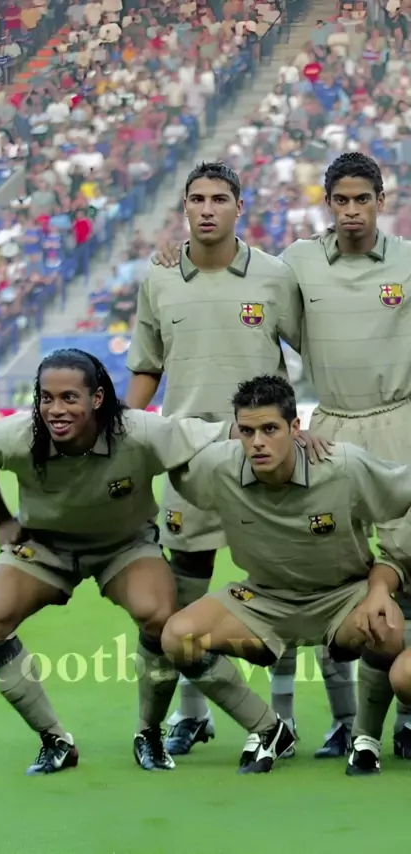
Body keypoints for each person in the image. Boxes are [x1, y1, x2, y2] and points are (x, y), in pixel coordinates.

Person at [153, 152, 411, 769]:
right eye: (341, 200)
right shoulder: (296, 262)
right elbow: (244, 284)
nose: (352, 211)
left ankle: (392, 721)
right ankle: (267, 719)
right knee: (296, 565)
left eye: (363, 199)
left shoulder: (407, 258)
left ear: (381, 200)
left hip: (398, 417)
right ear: (328, 204)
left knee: (399, 567)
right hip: (329, 423)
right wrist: (177, 254)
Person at [0, 347, 243, 775]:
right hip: (46, 547)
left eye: (69, 397)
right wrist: (1, 519)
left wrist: (289, 433)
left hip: (124, 546)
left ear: (97, 398)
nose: (56, 409)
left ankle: (149, 733)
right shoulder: (18, 435)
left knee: (159, 616)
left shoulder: (138, 430)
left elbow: (218, 434)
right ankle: (54, 740)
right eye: (47, 398)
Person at [126, 160, 329, 759]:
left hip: (264, 455)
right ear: (185, 207)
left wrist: (320, 422)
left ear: (240, 207)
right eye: (197, 198)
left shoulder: (274, 275)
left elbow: (315, 351)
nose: (207, 208)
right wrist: (119, 432)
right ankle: (192, 717)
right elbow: (147, 367)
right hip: (188, 459)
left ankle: (283, 720)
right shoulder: (159, 278)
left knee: (280, 587)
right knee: (186, 594)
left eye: (220, 198)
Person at [163, 374, 410, 775]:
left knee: (387, 626)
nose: (257, 442)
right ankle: (269, 729)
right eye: (247, 431)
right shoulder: (218, 466)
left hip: (343, 597)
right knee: (177, 637)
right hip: (263, 599)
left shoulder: (343, 466)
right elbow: (164, 451)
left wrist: (388, 572)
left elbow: (403, 492)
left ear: (296, 427)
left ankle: (364, 738)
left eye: (270, 429)